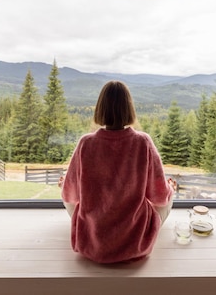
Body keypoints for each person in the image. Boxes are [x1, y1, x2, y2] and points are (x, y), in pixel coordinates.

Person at [59, 80, 175, 264]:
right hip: (134, 243)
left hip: (91, 244)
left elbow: (70, 195)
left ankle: (91, 229)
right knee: (169, 197)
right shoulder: (142, 142)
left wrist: (68, 182)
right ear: (129, 108)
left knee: (69, 199)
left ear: (100, 108)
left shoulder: (86, 144)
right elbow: (159, 197)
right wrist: (169, 188)